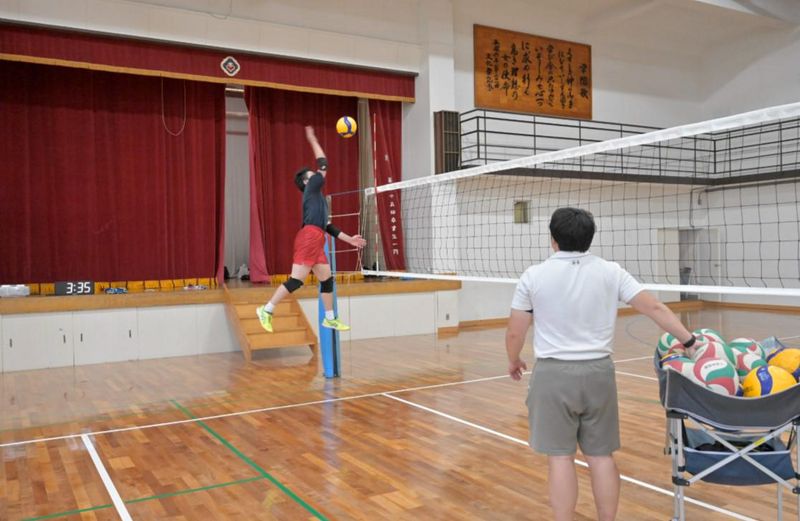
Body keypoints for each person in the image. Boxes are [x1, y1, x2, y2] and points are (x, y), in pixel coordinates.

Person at [505, 207, 697, 521]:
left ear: (552, 239)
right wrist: (689, 341)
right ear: (590, 238)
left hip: (553, 374)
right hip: (599, 373)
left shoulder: (533, 276)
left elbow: (516, 331)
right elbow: (655, 307)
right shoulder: (611, 271)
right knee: (601, 457)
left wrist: (513, 360)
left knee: (560, 458)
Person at [257, 126, 366, 333]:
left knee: (327, 280)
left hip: (317, 237)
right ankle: (267, 309)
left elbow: (328, 227)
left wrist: (350, 239)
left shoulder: (318, 199)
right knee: (296, 280)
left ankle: (330, 318)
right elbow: (323, 163)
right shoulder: (311, 187)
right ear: (307, 181)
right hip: (309, 237)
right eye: (313, 174)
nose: (318, 174)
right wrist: (313, 139)